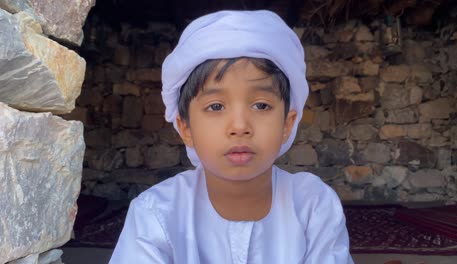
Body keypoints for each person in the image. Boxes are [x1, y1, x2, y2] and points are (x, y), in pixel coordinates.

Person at [110, 10, 353, 264]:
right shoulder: (156, 213)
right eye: (216, 106)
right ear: (186, 129)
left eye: (261, 105)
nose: (239, 126)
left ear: (287, 124)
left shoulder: (313, 206)